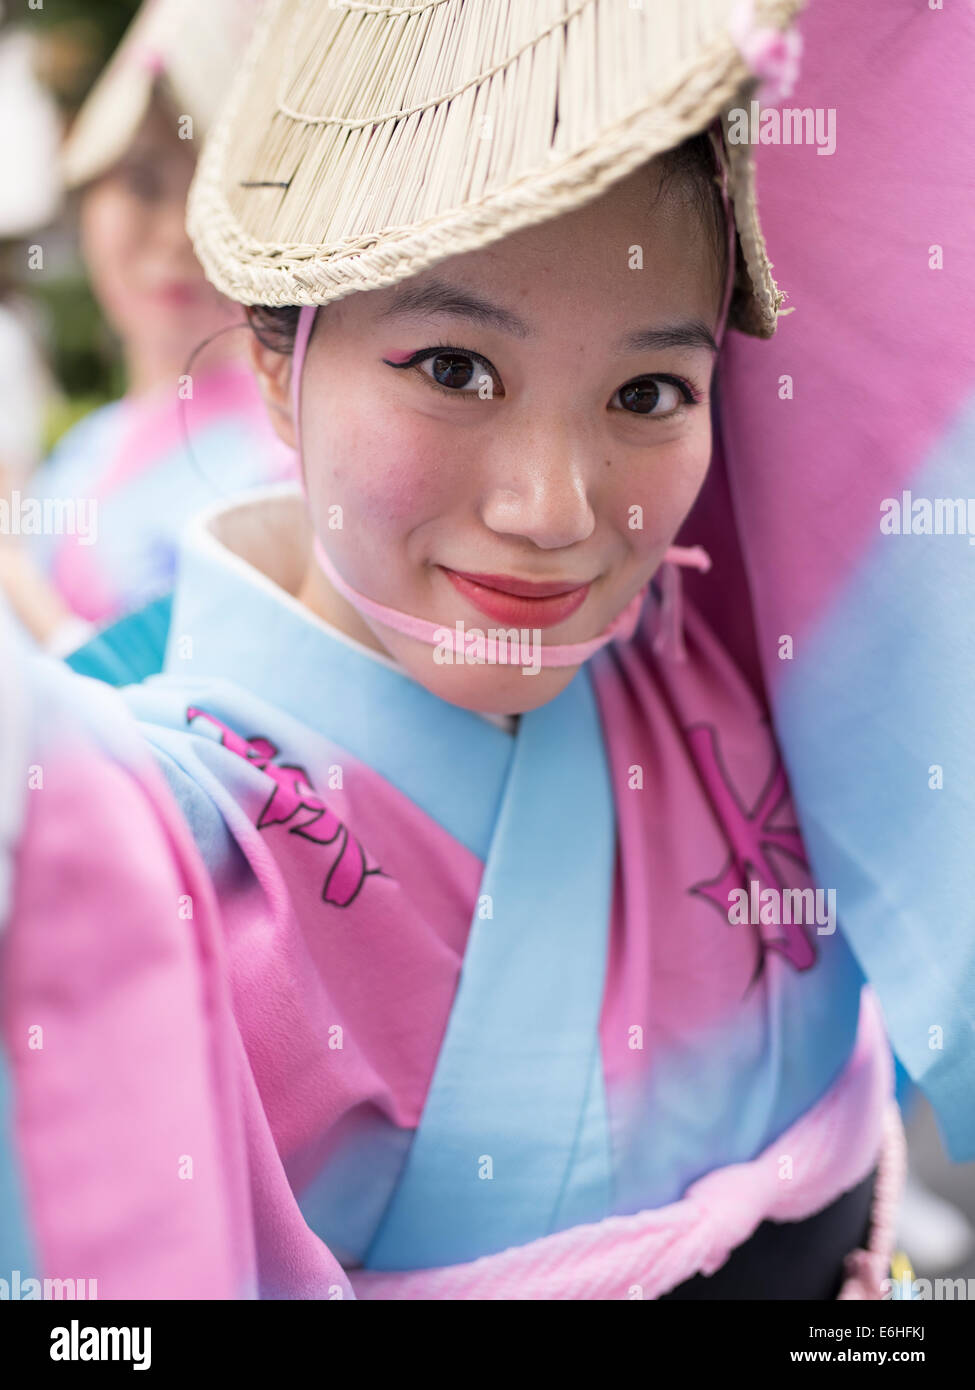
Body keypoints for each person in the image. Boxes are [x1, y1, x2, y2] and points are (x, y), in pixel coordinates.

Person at [3, 0, 910, 1300]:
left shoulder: (728, 634)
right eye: (451, 366)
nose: (553, 508)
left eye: (648, 392)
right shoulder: (155, 833)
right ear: (277, 362)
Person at [0, 0, 290, 651]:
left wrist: (12, 573)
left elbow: (198, 722)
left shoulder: (294, 451)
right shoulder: (84, 449)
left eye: (214, 194)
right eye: (142, 182)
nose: (179, 236)